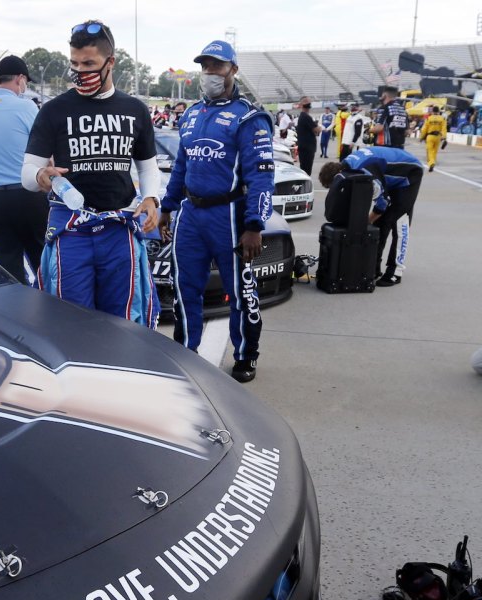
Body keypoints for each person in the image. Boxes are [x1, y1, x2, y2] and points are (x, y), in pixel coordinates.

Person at [20, 20, 161, 323]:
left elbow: (148, 166)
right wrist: (39, 176)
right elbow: (29, 170)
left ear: (111, 62)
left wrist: (151, 197)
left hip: (119, 230)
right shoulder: (53, 110)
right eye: (74, 63)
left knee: (124, 324)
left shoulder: (135, 109)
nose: (80, 71)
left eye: (89, 63)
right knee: (70, 323)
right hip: (71, 231)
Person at [159, 39, 274, 384]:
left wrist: (254, 224)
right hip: (191, 215)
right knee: (184, 288)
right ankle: (186, 351)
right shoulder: (192, 114)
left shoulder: (250, 118)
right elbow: (181, 166)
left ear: (233, 70)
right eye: (205, 66)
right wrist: (167, 206)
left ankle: (245, 355)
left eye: (217, 66)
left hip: (230, 216)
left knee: (240, 291)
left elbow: (262, 176)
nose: (210, 73)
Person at [0, 55, 47, 285]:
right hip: (27, 195)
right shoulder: (26, 107)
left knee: (10, 270)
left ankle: (16, 316)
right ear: (20, 79)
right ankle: (52, 317)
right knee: (43, 265)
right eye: (26, 82)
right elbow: (46, 152)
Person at [318, 145, 424, 286]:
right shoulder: (347, 165)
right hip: (389, 173)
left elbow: (382, 202)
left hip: (410, 173)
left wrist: (366, 222)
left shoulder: (365, 171)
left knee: (397, 221)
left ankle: (395, 272)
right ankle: (373, 268)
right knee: (380, 223)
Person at [294, 98, 318, 175]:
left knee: (304, 168)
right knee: (306, 170)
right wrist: (320, 127)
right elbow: (316, 129)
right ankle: (305, 185)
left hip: (303, 146)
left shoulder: (302, 116)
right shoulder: (306, 117)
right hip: (307, 147)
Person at [420, 106, 447, 172]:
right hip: (438, 137)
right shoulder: (442, 119)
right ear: (438, 111)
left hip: (430, 136)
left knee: (429, 150)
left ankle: (431, 163)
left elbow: (424, 129)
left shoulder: (429, 118)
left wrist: (421, 137)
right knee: (435, 151)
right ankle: (433, 162)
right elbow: (444, 128)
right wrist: (444, 137)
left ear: (432, 111)